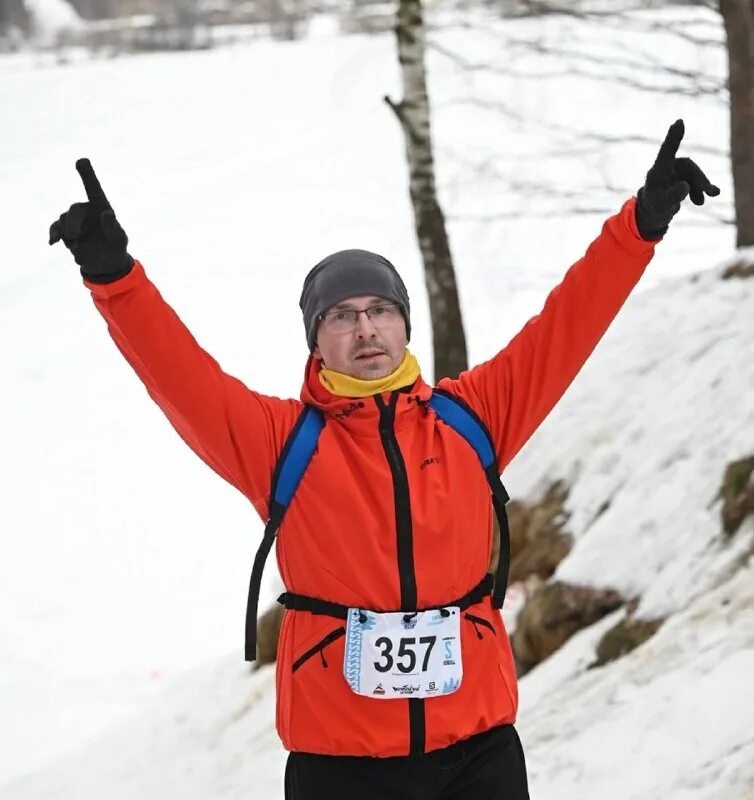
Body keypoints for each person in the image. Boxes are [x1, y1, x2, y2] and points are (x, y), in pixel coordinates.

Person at [49, 119, 718, 799]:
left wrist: (639, 226)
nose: (364, 327)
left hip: (477, 751)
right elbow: (178, 374)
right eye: (340, 315)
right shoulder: (282, 443)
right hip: (342, 761)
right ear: (317, 339)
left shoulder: (471, 418)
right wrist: (114, 278)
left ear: (403, 323)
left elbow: (567, 325)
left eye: (379, 310)